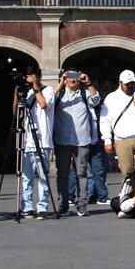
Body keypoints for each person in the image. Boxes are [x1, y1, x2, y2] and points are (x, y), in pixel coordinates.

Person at [53, 68, 99, 217]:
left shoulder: (84, 93)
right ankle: (63, 205)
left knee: (82, 174)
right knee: (63, 174)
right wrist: (61, 83)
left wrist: (89, 83)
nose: (73, 79)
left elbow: (96, 100)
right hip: (62, 139)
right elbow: (48, 102)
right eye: (69, 76)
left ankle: (82, 206)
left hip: (81, 139)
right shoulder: (59, 93)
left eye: (75, 76)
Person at [100, 70, 135, 184]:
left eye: (133, 83)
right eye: (128, 84)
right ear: (120, 83)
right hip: (122, 139)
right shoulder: (111, 98)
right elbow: (105, 120)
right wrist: (107, 140)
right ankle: (127, 198)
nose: (131, 86)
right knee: (127, 172)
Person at [17, 66, 55, 220]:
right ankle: (26, 206)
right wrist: (17, 92)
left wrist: (35, 87)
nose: (29, 78)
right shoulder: (26, 92)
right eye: (27, 76)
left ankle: (43, 206)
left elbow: (44, 104)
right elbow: (16, 112)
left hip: (43, 140)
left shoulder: (48, 90)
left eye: (32, 75)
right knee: (26, 177)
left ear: (38, 76)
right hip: (27, 140)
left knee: (43, 176)